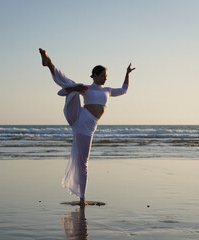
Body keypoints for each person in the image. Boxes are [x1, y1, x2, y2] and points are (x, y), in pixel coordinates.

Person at [39, 48, 135, 206]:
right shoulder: (86, 88)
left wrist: (127, 74)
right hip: (80, 121)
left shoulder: (108, 90)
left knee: (82, 162)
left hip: (89, 128)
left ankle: (81, 197)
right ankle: (49, 64)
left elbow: (124, 90)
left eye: (106, 76)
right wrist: (75, 89)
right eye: (103, 76)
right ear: (95, 76)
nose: (105, 79)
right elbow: (60, 93)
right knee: (72, 84)